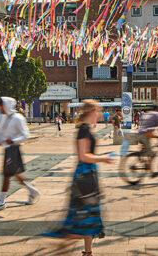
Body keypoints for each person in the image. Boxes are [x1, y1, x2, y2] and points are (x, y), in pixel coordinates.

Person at [44, 100, 115, 255]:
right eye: (98, 111)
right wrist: (102, 158)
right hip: (84, 175)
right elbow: (83, 156)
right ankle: (64, 239)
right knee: (83, 215)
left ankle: (88, 252)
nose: (100, 114)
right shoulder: (83, 129)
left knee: (88, 216)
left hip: (88, 174)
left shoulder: (86, 128)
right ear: (92, 111)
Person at [0, 97, 40, 211]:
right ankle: (32, 191)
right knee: (14, 173)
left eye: (1, 105)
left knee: (7, 175)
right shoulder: (3, 117)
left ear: (7, 106)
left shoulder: (18, 118)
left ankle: (1, 202)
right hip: (7, 149)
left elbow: (25, 135)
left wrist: (13, 140)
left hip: (14, 149)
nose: (0, 108)